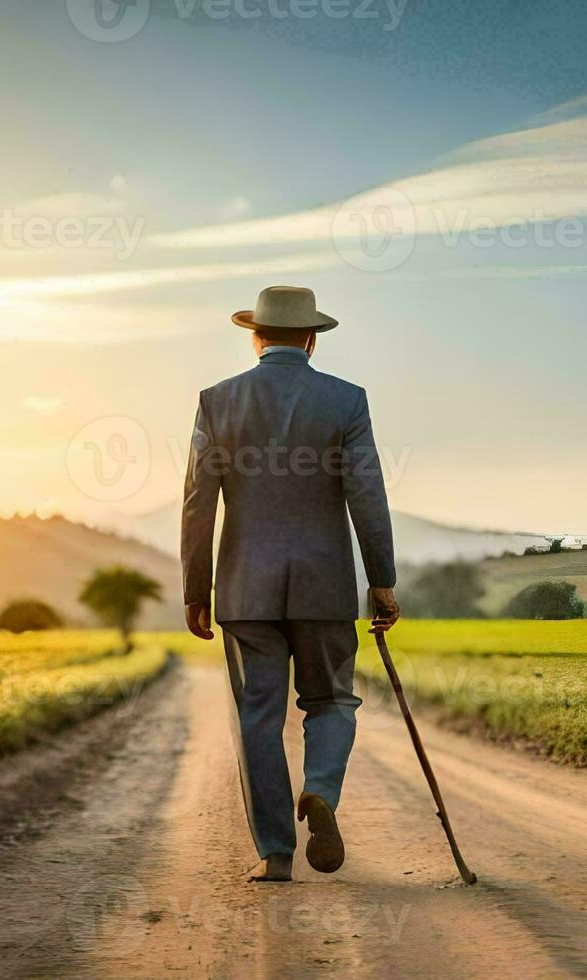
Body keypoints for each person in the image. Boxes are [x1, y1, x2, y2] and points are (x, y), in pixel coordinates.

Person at [181, 285, 401, 883]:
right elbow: (367, 495)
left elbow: (199, 503)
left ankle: (275, 854)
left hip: (245, 589)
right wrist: (382, 581)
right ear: (310, 339)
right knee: (331, 699)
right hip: (324, 586)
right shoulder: (346, 401)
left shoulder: (216, 402)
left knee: (258, 715)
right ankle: (322, 789)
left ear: (256, 337)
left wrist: (196, 589)